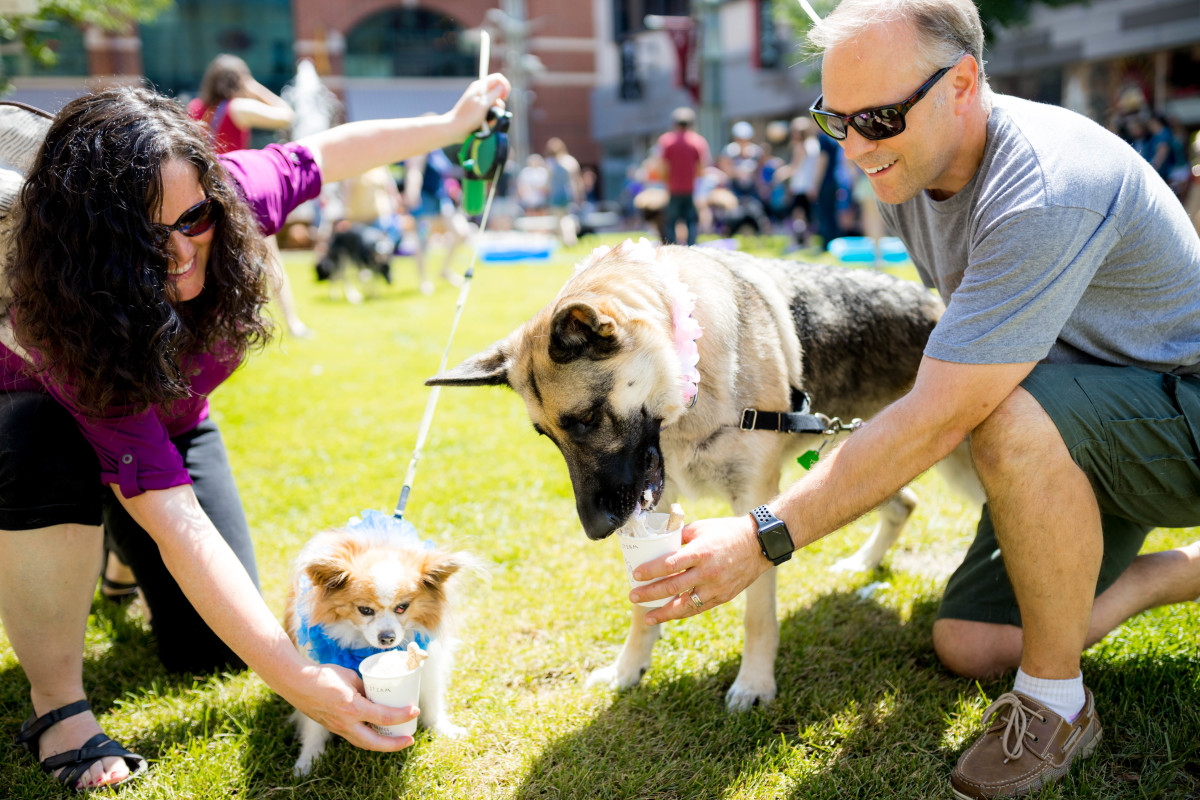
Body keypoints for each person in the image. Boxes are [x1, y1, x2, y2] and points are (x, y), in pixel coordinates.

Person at [628, 1, 1200, 798]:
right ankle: (1163, 576)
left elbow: (943, 411)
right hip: (1084, 420)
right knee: (969, 643)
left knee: (1000, 412)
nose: (856, 147)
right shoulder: (911, 166)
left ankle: (1056, 706)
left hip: (1182, 408)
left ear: (962, 84)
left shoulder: (1041, 188)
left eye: (878, 118)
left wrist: (760, 537)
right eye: (836, 120)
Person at [0, 73, 509, 792]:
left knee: (210, 649)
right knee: (40, 439)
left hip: (172, 432)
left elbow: (326, 153)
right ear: (94, 241)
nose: (181, 250)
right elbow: (174, 517)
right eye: (145, 236)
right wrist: (300, 679)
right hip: (45, 430)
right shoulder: (57, 317)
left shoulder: (229, 197)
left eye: (193, 218)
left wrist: (451, 123)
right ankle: (59, 705)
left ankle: (116, 549)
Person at [188, 53, 311, 342]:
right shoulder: (238, 108)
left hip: (204, 196)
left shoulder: (195, 109)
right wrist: (255, 87)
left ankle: (210, 329)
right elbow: (286, 114)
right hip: (238, 193)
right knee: (270, 260)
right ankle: (292, 323)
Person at [404, 136, 470, 295]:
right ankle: (424, 281)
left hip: (442, 200)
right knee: (422, 241)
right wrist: (411, 193)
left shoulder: (437, 150)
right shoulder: (420, 148)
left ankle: (444, 270)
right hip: (424, 203)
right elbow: (414, 171)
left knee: (462, 232)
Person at [655, 106, 711, 246]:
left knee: (671, 221)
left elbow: (662, 166)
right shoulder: (698, 141)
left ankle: (672, 248)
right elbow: (702, 167)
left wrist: (666, 182)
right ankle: (691, 248)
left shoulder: (666, 141)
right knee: (691, 221)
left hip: (673, 188)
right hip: (691, 188)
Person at [544, 137, 584, 246]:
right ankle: (569, 239)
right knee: (568, 217)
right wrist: (579, 195)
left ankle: (566, 240)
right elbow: (577, 180)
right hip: (568, 195)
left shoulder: (549, 163)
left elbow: (547, 184)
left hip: (555, 196)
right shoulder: (570, 161)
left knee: (559, 219)